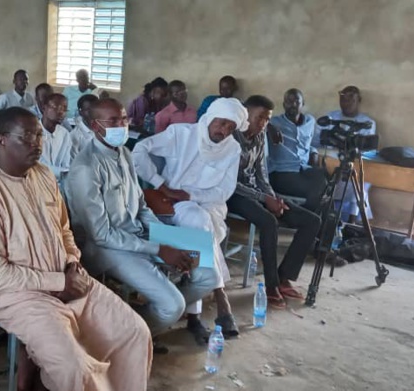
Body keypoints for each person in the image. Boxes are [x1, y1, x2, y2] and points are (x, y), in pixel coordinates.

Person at [0, 107, 152, 390]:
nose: (37, 144)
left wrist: (72, 262)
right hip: (14, 295)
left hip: (65, 276)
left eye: (39, 136)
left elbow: (64, 228)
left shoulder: (44, 175)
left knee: (134, 332)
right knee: (74, 366)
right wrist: (59, 282)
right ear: (1, 139)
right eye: (27, 137)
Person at [66, 99, 219, 351]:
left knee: (208, 275)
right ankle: (125, 342)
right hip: (107, 248)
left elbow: (141, 206)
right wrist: (159, 249)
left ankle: (137, 327)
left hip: (140, 235)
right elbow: (101, 234)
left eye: (124, 119)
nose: (121, 125)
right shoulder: (86, 167)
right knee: (173, 305)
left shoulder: (124, 152)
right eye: (113, 121)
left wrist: (164, 236)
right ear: (95, 126)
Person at [132, 98, 247, 342]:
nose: (224, 131)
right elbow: (139, 150)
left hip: (210, 205)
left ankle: (199, 308)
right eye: (221, 123)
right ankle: (214, 303)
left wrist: (192, 195)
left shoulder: (232, 149)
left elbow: (224, 191)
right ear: (210, 118)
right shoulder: (181, 134)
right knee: (198, 222)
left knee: (202, 226)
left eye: (230, 127)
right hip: (173, 204)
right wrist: (160, 184)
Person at [226, 96, 321, 309]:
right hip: (233, 194)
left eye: (267, 119)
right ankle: (271, 286)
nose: (263, 123)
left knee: (312, 221)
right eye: (259, 117)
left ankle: (284, 277)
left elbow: (262, 174)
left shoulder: (260, 136)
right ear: (245, 114)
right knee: (269, 221)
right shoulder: (231, 137)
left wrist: (273, 198)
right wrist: (265, 199)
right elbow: (230, 182)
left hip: (258, 192)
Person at [315, 85, 376, 223]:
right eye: (343, 100)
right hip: (333, 164)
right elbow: (317, 142)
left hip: (354, 165)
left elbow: (366, 150)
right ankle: (326, 220)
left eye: (350, 100)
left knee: (358, 185)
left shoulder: (367, 123)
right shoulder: (331, 118)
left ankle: (351, 223)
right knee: (325, 181)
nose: (346, 103)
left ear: (358, 101)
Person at [268, 88, 328, 212]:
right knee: (315, 190)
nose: (293, 105)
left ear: (303, 104)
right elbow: (253, 124)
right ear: (284, 104)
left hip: (303, 169)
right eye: (289, 102)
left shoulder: (310, 122)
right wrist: (269, 127)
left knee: (327, 181)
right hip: (281, 172)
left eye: (297, 101)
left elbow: (311, 144)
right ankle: (307, 216)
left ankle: (318, 217)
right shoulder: (274, 123)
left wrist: (314, 153)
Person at [39, 93, 75, 187]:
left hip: (58, 184)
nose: (61, 112)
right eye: (57, 108)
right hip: (37, 182)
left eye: (64, 109)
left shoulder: (64, 134)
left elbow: (66, 163)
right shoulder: (33, 132)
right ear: (44, 108)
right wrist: (63, 173)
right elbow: (37, 164)